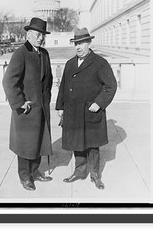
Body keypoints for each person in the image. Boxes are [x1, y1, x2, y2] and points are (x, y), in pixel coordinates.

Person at [55, 27, 117, 190]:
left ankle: (95, 175)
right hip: (73, 112)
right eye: (76, 43)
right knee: (77, 143)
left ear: (89, 43)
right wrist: (60, 107)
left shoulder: (99, 63)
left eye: (82, 43)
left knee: (92, 145)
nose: (78, 47)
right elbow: (63, 87)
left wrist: (99, 103)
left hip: (90, 111)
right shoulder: (69, 64)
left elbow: (110, 86)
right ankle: (79, 172)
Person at [2, 17, 53, 191]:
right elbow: (9, 81)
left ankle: (35, 171)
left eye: (43, 35)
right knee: (25, 145)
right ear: (29, 34)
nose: (40, 38)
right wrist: (20, 103)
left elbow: (49, 80)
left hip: (41, 109)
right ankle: (25, 176)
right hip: (26, 110)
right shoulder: (20, 53)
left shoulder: (44, 54)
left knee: (38, 141)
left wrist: (47, 99)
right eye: (38, 34)